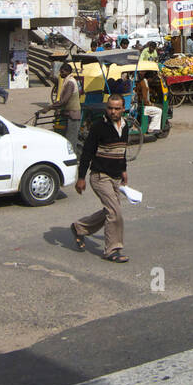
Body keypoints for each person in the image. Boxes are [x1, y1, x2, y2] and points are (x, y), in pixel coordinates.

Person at [70, 94, 131, 263]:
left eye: (117, 108)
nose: (113, 112)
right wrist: (81, 177)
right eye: (110, 108)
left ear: (123, 109)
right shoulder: (99, 127)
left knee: (110, 211)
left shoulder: (125, 127)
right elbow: (87, 153)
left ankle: (79, 227)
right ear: (107, 109)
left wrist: (124, 170)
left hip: (115, 177)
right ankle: (112, 249)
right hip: (99, 176)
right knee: (115, 212)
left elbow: (122, 151)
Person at [49, 63, 82, 152]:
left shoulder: (70, 82)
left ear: (67, 72)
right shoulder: (67, 81)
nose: (60, 73)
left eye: (62, 72)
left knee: (71, 139)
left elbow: (64, 101)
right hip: (68, 113)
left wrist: (49, 108)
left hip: (73, 115)